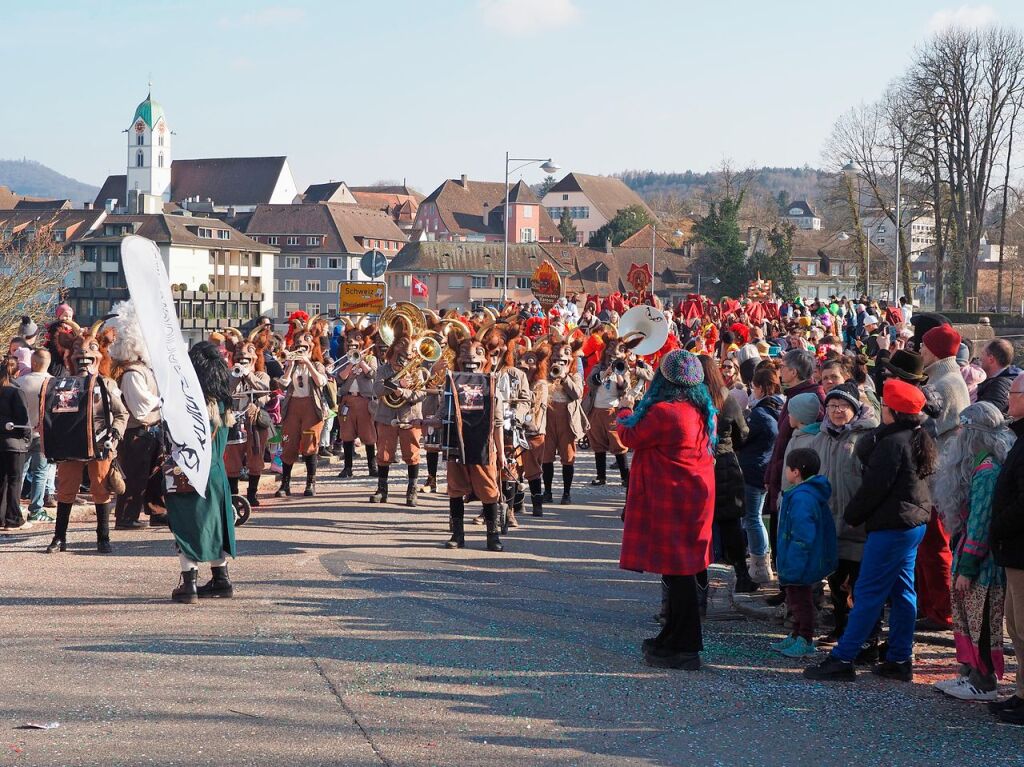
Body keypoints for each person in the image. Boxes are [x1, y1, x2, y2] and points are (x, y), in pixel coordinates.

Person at [804, 378, 936, 682]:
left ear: (891, 410)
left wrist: (852, 515)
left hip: (892, 525)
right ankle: (900, 657)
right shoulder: (914, 435)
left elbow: (874, 487)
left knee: (868, 592)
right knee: (903, 592)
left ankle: (843, 657)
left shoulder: (891, 443)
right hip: (910, 523)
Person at [618, 350, 717, 671]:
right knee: (678, 574)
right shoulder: (698, 409)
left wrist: (623, 403)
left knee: (679, 575)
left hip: (674, 502)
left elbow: (629, 435)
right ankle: (672, 636)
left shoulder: (666, 412)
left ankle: (685, 647)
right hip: (690, 501)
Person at [930, 401, 1013, 701]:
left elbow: (980, 523)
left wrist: (966, 567)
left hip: (984, 564)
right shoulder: (978, 465)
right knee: (968, 618)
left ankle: (984, 680)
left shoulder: (987, 471)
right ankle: (969, 673)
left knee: (983, 622)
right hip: (970, 553)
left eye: (965, 429)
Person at [43, 321, 128, 554]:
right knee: (66, 489)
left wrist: (116, 434)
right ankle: (59, 537)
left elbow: (121, 413)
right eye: (79, 349)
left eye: (91, 348)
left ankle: (103, 537)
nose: (84, 354)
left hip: (100, 444)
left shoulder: (108, 383)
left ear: (100, 354)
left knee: (100, 488)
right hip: (70, 444)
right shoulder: (63, 384)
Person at [168, 342, 238, 603]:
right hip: (217, 471)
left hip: (191, 470)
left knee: (186, 526)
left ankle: (189, 585)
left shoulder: (189, 404)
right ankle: (221, 579)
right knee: (216, 526)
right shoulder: (223, 402)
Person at [811, 381, 879, 646]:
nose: (837, 411)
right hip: (830, 523)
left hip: (859, 524)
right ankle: (840, 628)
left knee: (861, 584)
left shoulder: (867, 437)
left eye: (843, 406)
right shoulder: (821, 436)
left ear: (855, 408)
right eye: (832, 406)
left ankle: (865, 636)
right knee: (836, 581)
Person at [917, 324, 971, 631]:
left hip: (938, 475)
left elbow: (929, 430)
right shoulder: (946, 377)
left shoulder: (944, 382)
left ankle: (941, 612)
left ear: (935, 350)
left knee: (935, 544)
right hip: (939, 471)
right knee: (930, 544)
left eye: (924, 346)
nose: (921, 351)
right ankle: (932, 608)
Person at [770, 448, 837, 658]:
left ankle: (805, 638)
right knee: (794, 599)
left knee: (801, 601)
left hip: (798, 560)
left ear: (796, 472)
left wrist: (795, 561)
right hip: (794, 558)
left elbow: (803, 534)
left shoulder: (802, 498)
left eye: (788, 468)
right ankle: (797, 633)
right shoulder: (801, 494)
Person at [699, 355, 757, 593]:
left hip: (702, 462)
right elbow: (743, 433)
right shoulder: (728, 398)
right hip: (726, 462)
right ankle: (742, 574)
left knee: (700, 523)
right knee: (730, 522)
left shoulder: (694, 399)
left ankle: (699, 581)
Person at [107, 301, 166, 530]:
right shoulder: (131, 373)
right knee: (135, 477)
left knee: (155, 475)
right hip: (137, 431)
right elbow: (140, 407)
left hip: (151, 429)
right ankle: (125, 517)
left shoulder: (141, 368)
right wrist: (164, 401)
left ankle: (157, 511)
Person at [765, 350, 824, 564]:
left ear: (793, 371)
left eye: (782, 367)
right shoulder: (793, 394)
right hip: (783, 470)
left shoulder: (811, 398)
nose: (779, 371)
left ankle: (792, 586)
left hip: (795, 477)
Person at [990, 374, 1024, 725]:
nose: (1008, 400)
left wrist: (997, 525)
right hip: (1014, 549)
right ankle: (1020, 692)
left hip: (1019, 544)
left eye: (1013, 394)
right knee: (1015, 625)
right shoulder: (1019, 435)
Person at [738, 366, 783, 584]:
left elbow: (743, 438)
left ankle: (760, 566)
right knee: (756, 517)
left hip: (754, 470)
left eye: (754, 387)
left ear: (762, 388)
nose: (752, 391)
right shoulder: (780, 407)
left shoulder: (760, 414)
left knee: (753, 518)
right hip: (766, 468)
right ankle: (763, 563)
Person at [14, 349, 55, 520]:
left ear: (33, 362)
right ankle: (36, 509)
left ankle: (14, 506)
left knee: (19, 472)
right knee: (40, 473)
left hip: (20, 431)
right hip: (43, 434)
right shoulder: (54, 382)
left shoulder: (18, 382)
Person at [335, 327, 379, 480]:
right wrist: (349, 365)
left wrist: (360, 361)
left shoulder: (370, 358)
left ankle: (372, 467)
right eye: (350, 342)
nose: (352, 344)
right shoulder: (343, 360)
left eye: (356, 341)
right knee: (347, 435)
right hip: (347, 400)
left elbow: (373, 374)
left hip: (364, 401)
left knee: (368, 435)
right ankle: (347, 468)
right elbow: (339, 379)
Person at [0, 362, 31, 529]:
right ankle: (13, 518)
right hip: (14, 442)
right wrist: (27, 437)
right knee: (14, 481)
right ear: (17, 372)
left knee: (2, 480)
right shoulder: (16, 391)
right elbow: (23, 419)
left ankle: (1, 517)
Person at [780, 393, 822, 494]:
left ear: (800, 416)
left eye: (791, 412)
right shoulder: (800, 437)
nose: (789, 415)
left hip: (795, 497)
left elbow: (791, 476)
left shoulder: (805, 442)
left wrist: (783, 497)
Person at [975, 338, 1019, 414]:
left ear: (991, 359)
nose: (979, 358)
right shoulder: (1013, 376)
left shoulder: (1000, 386)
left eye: (982, 354)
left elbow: (984, 416)